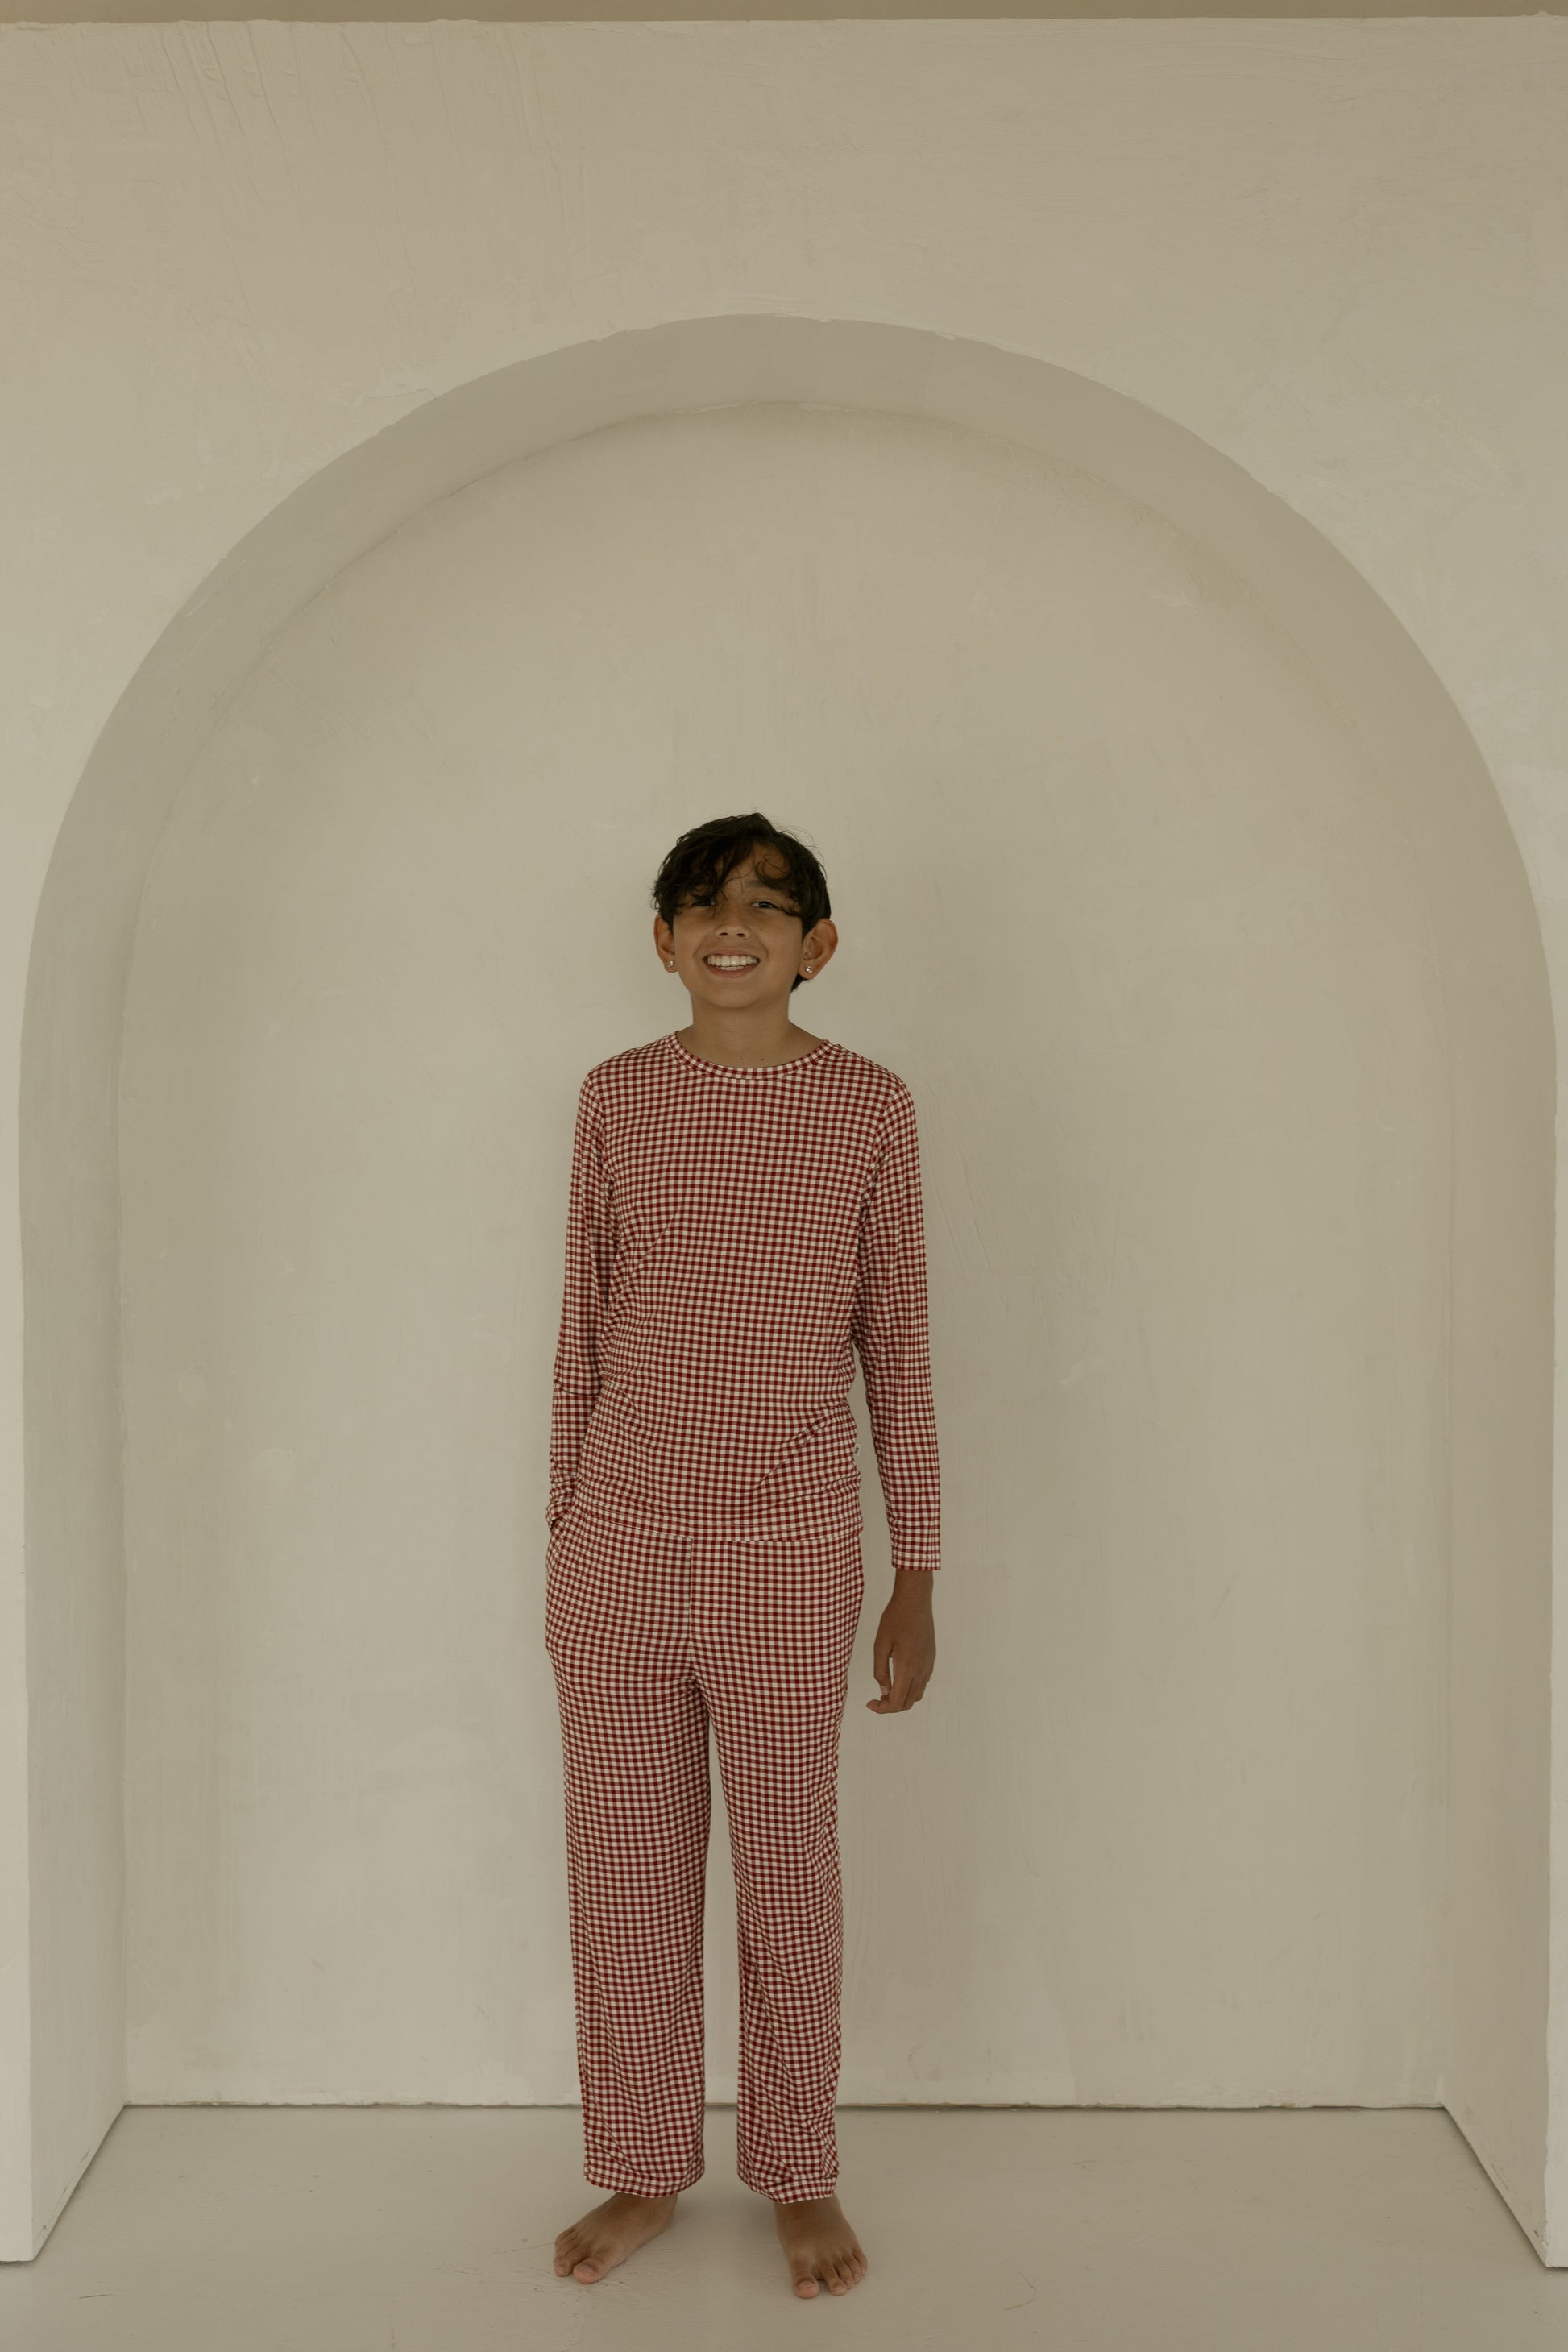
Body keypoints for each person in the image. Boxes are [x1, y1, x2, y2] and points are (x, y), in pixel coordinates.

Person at [545, 812, 941, 2300]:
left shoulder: (869, 1108)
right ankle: (644, 2162)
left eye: (769, 907)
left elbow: (896, 1346)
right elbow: (580, 1330)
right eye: (705, 905)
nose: (736, 926)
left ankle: (798, 2166)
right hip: (618, 1552)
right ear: (662, 939)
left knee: (788, 1873)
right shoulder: (615, 1098)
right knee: (626, 1878)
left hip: (789, 1552)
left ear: (816, 945)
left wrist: (918, 1570)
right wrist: (564, 1534)